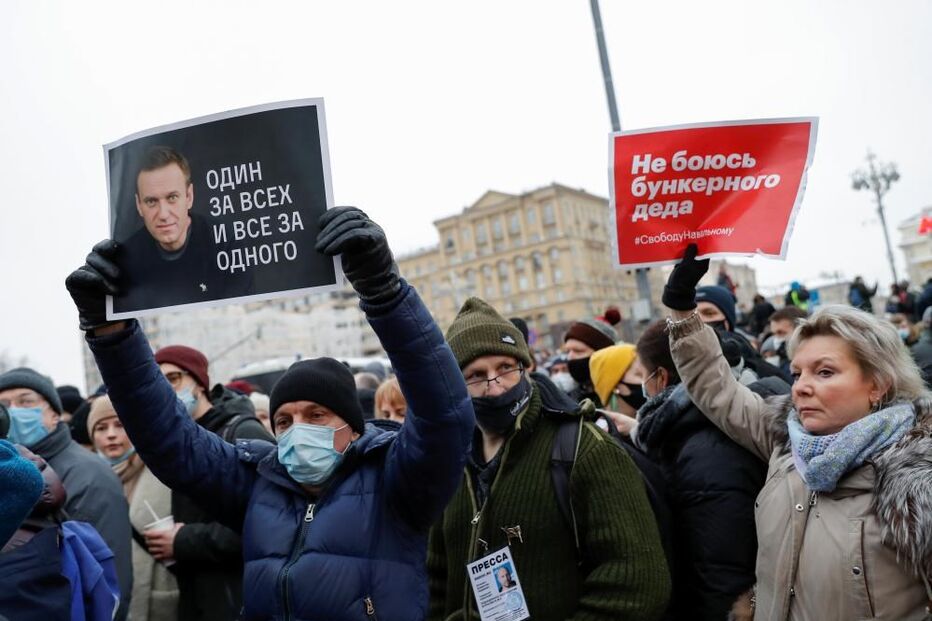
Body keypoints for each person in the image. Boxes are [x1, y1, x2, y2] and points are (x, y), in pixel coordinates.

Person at [66, 206, 474, 620]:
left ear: (353, 427)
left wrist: (385, 292)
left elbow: (444, 416)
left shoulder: (395, 480)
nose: (298, 430)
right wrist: (112, 334)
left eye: (316, 416)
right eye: (284, 421)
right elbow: (169, 439)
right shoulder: (259, 482)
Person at [660, 244, 932, 620]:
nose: (801, 387)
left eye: (824, 372)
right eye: (797, 372)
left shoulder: (919, 477)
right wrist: (681, 309)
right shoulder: (787, 440)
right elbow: (717, 388)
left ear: (878, 384)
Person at [428, 297, 670, 621]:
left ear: (525, 367)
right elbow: (436, 582)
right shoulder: (450, 465)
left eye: (505, 368)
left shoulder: (585, 449)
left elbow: (638, 583)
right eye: (476, 375)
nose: (495, 386)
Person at [634, 319, 789, 621]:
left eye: (642, 375)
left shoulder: (705, 453)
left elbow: (720, 571)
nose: (643, 385)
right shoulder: (705, 426)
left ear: (661, 377)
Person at [0, 367, 133, 620]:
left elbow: (109, 581)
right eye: (4, 405)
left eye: (26, 402)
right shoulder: (11, 474)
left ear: (55, 415)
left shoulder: (89, 475)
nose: (14, 411)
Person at [152, 344, 271, 621]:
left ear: (199, 382)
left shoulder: (242, 430)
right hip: (200, 597)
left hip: (238, 599)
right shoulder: (177, 441)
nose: (166, 390)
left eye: (173, 378)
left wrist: (184, 540)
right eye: (158, 383)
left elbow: (270, 521)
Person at [117, 145, 248, 312]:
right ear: (139, 205)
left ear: (189, 197)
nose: (163, 214)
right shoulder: (125, 260)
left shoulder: (226, 243)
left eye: (172, 197)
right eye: (151, 201)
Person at [88, 396, 179, 621]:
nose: (111, 434)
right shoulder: (89, 479)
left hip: (161, 601)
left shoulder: (164, 473)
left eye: (120, 425)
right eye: (101, 428)